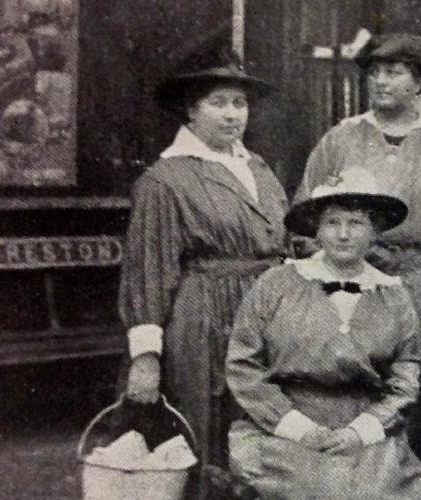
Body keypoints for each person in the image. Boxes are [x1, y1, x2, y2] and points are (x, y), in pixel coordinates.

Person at [118, 41, 287, 499]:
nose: (232, 114)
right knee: (208, 432)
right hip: (204, 319)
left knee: (263, 433)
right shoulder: (165, 180)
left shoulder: (259, 169)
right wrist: (146, 359)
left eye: (240, 102)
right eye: (218, 103)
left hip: (265, 313)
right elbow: (148, 272)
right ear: (191, 111)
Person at [225, 167, 421, 499]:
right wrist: (297, 428)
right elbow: (243, 366)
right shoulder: (276, 284)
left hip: (366, 425)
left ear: (374, 232)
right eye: (333, 223)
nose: (343, 235)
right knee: (315, 486)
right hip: (283, 425)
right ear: (317, 231)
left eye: (356, 224)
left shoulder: (393, 295)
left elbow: (404, 377)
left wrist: (361, 431)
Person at [296, 32, 421, 327]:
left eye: (393, 73)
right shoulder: (341, 139)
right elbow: (305, 213)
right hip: (351, 279)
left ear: (417, 83)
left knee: (413, 365)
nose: (381, 81)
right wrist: (326, 264)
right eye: (375, 73)